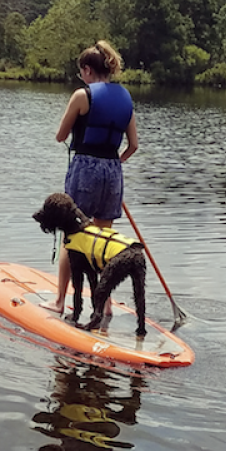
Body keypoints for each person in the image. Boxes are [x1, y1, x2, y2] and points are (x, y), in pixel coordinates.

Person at [40, 41, 139, 316]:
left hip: (85, 168)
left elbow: (61, 136)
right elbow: (133, 145)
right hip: (112, 170)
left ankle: (59, 302)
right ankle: (105, 304)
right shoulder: (125, 97)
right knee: (102, 238)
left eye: (80, 71)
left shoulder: (82, 96)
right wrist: (113, 164)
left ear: (86, 70)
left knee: (72, 237)